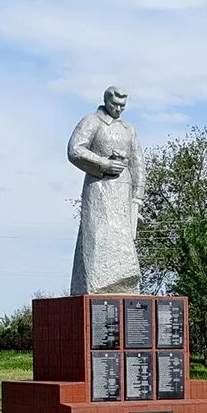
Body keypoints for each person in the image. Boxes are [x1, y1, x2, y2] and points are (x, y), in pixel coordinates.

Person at [67, 86, 144, 295]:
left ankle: (123, 282)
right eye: (114, 104)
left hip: (124, 193)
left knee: (123, 243)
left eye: (122, 106)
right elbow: (75, 150)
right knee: (97, 237)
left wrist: (137, 198)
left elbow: (138, 164)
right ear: (106, 101)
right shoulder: (92, 121)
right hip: (99, 188)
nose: (118, 109)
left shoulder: (129, 129)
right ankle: (96, 284)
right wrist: (103, 164)